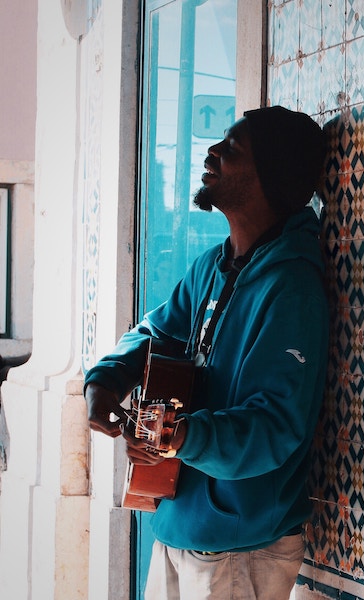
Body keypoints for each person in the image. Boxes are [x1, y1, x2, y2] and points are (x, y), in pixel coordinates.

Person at [84, 105, 329, 599]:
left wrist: (180, 436)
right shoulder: (211, 268)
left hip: (240, 550)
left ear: (270, 173)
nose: (213, 152)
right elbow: (156, 331)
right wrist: (105, 380)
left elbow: (276, 426)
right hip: (181, 526)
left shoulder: (292, 288)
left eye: (232, 147)